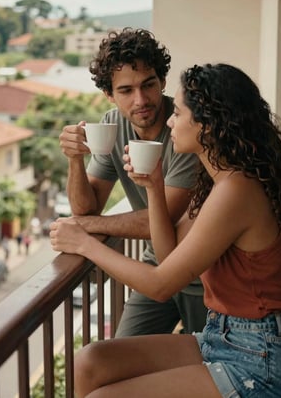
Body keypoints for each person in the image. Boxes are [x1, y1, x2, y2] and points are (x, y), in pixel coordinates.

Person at [50, 63, 281, 398]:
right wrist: (154, 187)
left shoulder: (237, 190)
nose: (170, 121)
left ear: (208, 124)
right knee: (91, 361)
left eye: (177, 112)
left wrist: (85, 243)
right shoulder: (218, 181)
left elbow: (161, 286)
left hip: (261, 362)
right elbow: (168, 256)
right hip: (223, 337)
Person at [56, 28, 207, 336]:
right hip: (156, 266)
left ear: (162, 81)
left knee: (204, 362)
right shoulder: (112, 125)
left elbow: (162, 220)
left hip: (204, 276)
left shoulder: (185, 130)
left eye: (148, 85)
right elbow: (88, 207)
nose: (141, 100)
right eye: (126, 91)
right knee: (118, 353)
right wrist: (75, 160)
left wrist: (85, 228)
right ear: (110, 95)